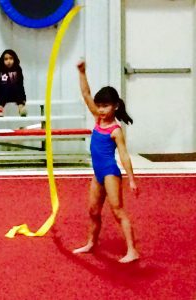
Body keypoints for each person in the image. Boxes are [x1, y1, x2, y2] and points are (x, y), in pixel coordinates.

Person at [73, 60, 139, 263]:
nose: (101, 110)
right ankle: (91, 242)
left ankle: (132, 250)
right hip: (97, 173)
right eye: (99, 106)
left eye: (105, 106)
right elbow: (86, 94)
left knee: (117, 211)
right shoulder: (98, 119)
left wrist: (131, 179)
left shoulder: (115, 130)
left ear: (115, 106)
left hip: (110, 172)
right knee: (93, 211)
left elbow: (125, 155)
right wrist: (82, 72)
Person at [0, 49, 27, 117]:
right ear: (2, 60)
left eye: (11, 58)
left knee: (15, 86)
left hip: (15, 94)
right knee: (6, 86)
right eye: (6, 59)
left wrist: (23, 97)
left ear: (14, 59)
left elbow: (21, 84)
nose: (8, 61)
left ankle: (21, 107)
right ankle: (0, 108)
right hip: (3, 94)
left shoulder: (18, 69)